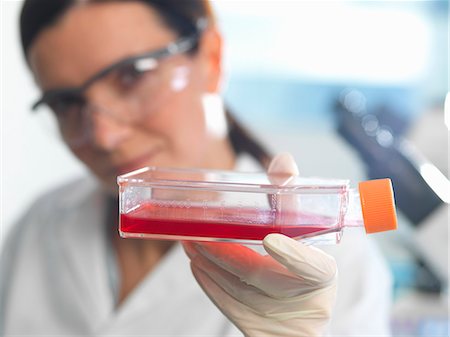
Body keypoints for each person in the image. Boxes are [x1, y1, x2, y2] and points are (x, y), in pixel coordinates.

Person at [0, 0, 392, 335]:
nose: (104, 135)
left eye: (133, 76)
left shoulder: (336, 266)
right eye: (66, 104)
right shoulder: (39, 226)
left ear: (211, 57)